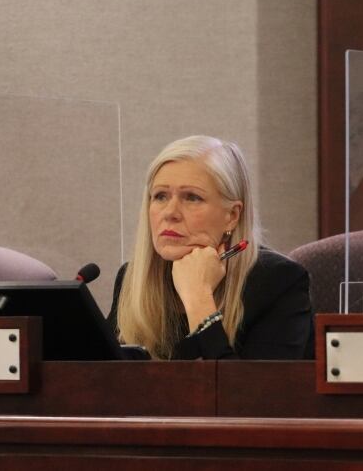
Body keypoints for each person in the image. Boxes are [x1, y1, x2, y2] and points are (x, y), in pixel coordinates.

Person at [108, 136, 312, 360]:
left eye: (192, 197)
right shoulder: (132, 279)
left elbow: (247, 394)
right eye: (160, 196)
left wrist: (199, 298)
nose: (170, 212)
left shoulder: (277, 281)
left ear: (232, 216)